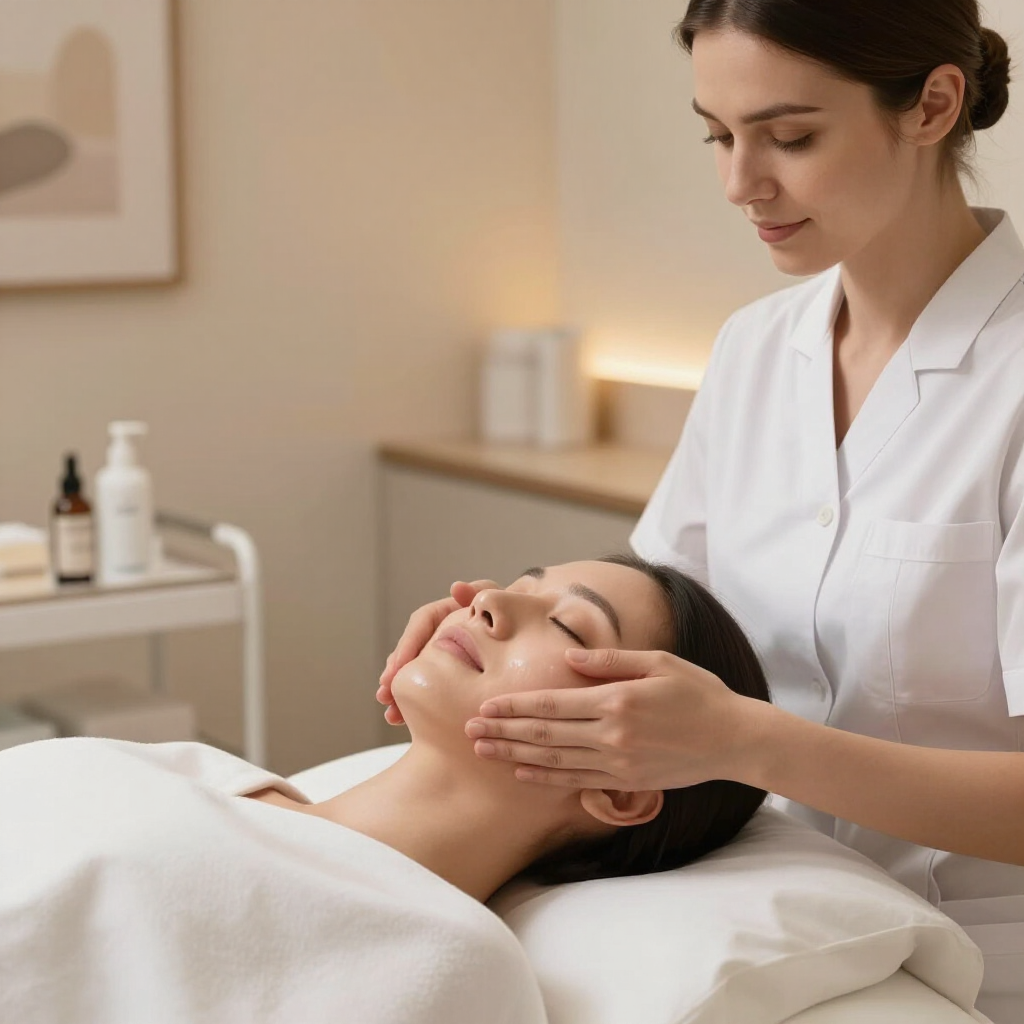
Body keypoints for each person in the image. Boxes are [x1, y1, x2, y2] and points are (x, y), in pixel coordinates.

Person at [377, 2, 1024, 1020]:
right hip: (747, 903)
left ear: (933, 104)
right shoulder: (756, 351)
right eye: (719, 136)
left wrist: (745, 743)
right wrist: (489, 622)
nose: (739, 182)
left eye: (790, 136)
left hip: (976, 960)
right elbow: (656, 608)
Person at [0, 557, 770, 1024]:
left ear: (626, 787)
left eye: (569, 630)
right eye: (519, 584)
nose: (487, 603)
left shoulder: (448, 965)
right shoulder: (172, 768)